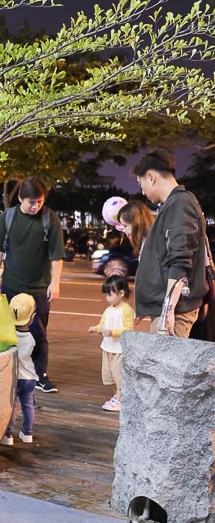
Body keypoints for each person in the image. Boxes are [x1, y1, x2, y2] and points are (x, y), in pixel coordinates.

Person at [0, 177, 66, 393]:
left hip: (39, 287)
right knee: (10, 331)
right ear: (20, 198)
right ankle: (10, 371)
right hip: (12, 284)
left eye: (39, 202)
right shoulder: (8, 217)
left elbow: (56, 254)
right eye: (31, 202)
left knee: (38, 333)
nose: (35, 207)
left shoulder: (50, 219)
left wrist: (55, 282)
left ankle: (40, 375)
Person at [130, 150, 208, 337]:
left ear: (151, 177)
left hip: (176, 311)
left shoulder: (180, 204)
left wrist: (168, 310)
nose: (142, 191)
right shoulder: (173, 204)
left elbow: (180, 260)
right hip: (169, 309)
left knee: (165, 365)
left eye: (141, 184)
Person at [87, 275, 135, 412]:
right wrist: (95, 329)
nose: (107, 298)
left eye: (110, 295)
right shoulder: (108, 310)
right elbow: (103, 324)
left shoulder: (126, 310)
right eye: (106, 295)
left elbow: (128, 329)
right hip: (107, 348)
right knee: (110, 375)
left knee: (119, 375)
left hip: (119, 350)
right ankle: (118, 395)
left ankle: (120, 399)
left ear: (121, 293)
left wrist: (112, 332)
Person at [1, 294, 38, 446]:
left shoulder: (8, 336)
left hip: (13, 377)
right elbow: (35, 354)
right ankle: (27, 433)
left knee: (12, 406)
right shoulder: (32, 338)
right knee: (28, 405)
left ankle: (8, 435)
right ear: (32, 317)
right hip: (29, 378)